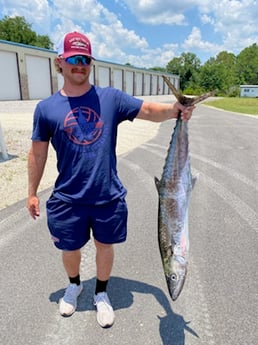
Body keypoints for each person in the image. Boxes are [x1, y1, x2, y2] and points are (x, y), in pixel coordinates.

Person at [27, 31, 194, 328]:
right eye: (74, 59)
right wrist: (31, 192)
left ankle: (101, 293)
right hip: (67, 198)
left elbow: (147, 110)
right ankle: (75, 285)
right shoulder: (46, 109)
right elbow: (37, 154)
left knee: (105, 246)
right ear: (60, 63)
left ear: (91, 63)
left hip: (107, 195)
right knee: (70, 249)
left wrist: (173, 110)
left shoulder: (110, 98)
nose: (80, 65)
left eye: (86, 60)